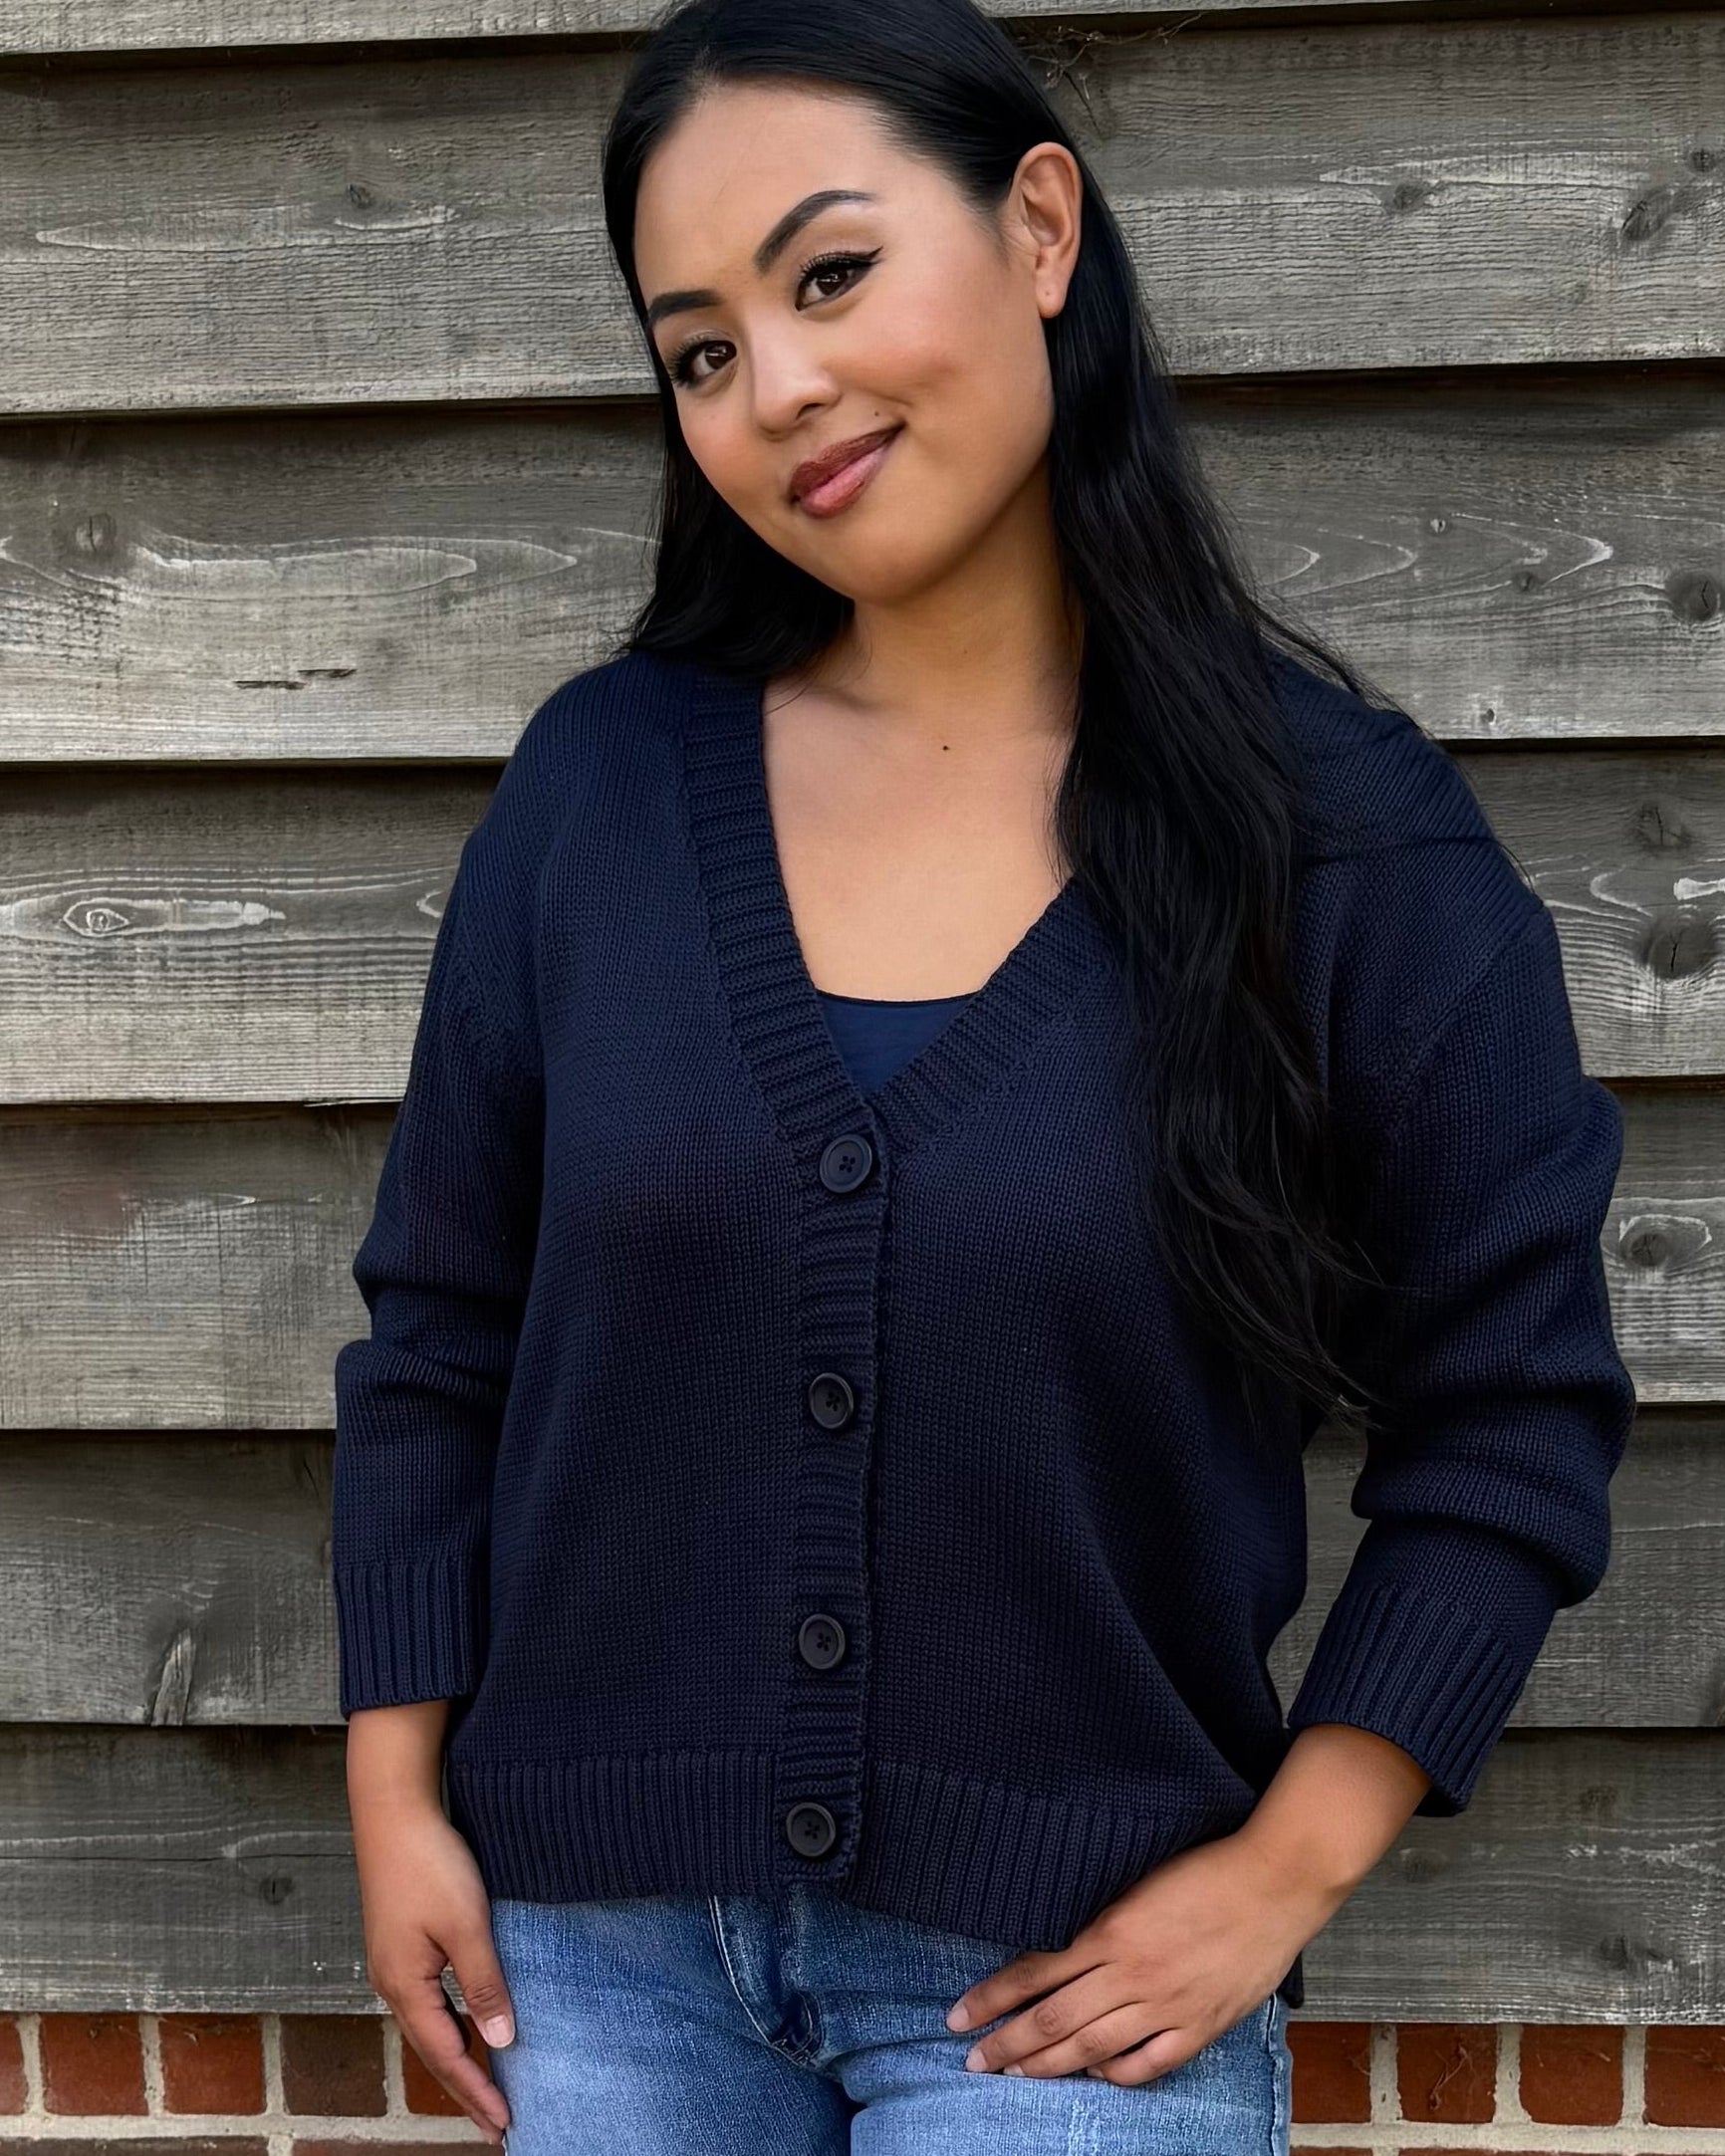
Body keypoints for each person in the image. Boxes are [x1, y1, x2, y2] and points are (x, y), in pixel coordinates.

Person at [329, 0, 1637, 2148]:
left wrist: (1282, 1870)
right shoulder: (600, 796)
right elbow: (441, 1336)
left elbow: (1508, 1410)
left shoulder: (1344, 845)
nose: (781, 392)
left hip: (1061, 1994)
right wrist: (395, 1792)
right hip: (598, 1957)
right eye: (701, 350)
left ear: (1039, 226)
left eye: (828, 274)